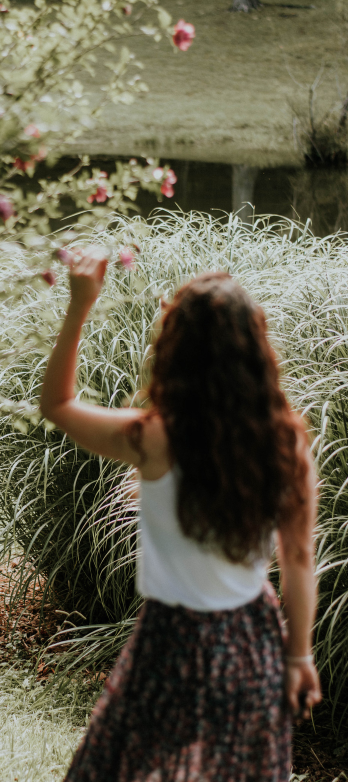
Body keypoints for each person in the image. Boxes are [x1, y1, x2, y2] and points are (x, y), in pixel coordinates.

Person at [39, 248, 321, 782]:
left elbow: (57, 405)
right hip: (252, 639)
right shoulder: (287, 446)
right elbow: (299, 560)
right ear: (256, 354)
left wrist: (79, 306)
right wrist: (298, 656)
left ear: (176, 352)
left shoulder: (153, 437)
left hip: (170, 642)